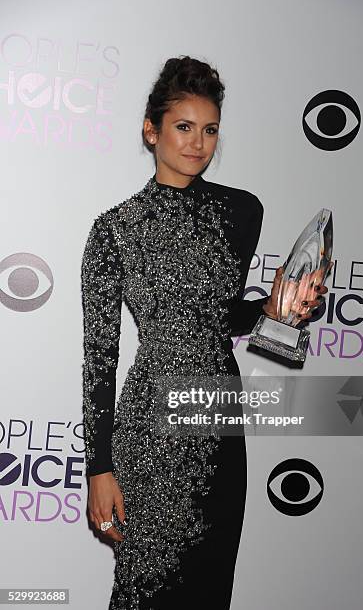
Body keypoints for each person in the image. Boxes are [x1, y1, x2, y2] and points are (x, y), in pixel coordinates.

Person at [81, 55, 328, 610]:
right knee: (146, 589)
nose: (197, 143)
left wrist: (278, 305)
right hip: (151, 428)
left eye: (210, 129)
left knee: (211, 587)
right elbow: (99, 358)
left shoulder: (241, 211)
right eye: (183, 127)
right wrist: (99, 466)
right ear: (152, 131)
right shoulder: (115, 228)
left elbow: (221, 318)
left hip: (218, 417)